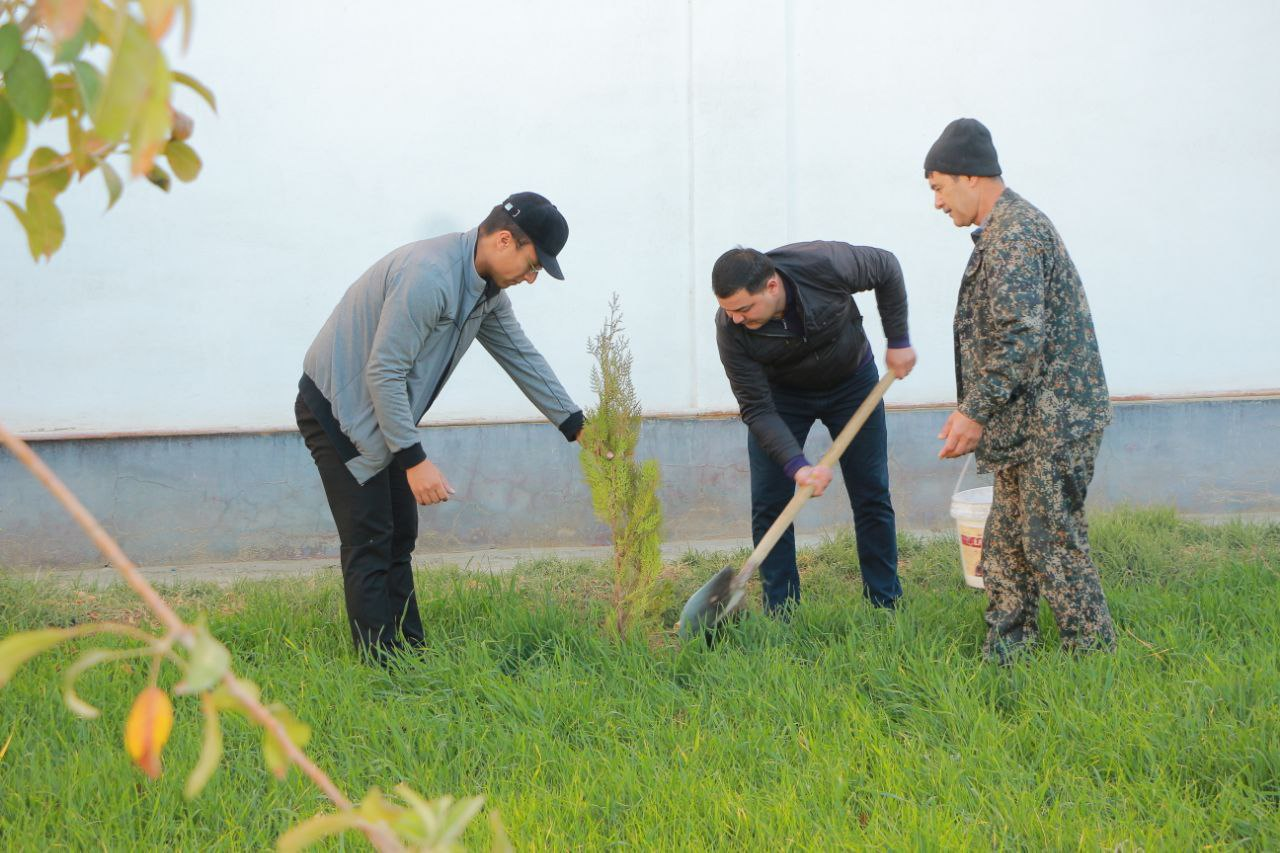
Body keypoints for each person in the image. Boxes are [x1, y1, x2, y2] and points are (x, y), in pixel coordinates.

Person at [295, 192, 584, 661]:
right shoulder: (429, 277)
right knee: (370, 536)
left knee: (400, 534)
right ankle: (380, 667)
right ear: (505, 241)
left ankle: (410, 652)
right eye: (533, 266)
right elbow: (383, 371)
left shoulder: (485, 291)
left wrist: (575, 425)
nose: (531, 280)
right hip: (338, 408)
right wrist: (414, 460)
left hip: (384, 412)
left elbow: (520, 354)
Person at [924, 118, 1116, 661]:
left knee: (1053, 543)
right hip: (1027, 425)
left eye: (939, 187)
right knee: (1006, 547)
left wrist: (973, 412)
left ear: (969, 177)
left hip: (1054, 423)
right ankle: (1007, 654)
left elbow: (1019, 339)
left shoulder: (1016, 234)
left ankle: (1093, 660)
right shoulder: (1002, 231)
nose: (937, 202)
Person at [712, 243, 917, 613]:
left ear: (772, 286)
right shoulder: (731, 329)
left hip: (852, 382)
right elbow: (757, 408)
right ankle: (782, 611)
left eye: (744, 308)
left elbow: (887, 266)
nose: (737, 319)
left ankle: (885, 602)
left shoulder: (823, 265)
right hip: (781, 398)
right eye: (729, 310)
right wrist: (797, 465)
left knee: (871, 492)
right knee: (770, 502)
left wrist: (898, 340)